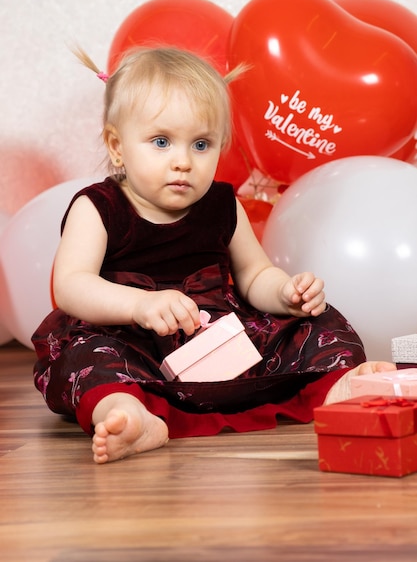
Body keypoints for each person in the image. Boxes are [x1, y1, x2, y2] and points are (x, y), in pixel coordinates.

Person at [32, 46, 395, 464]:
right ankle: (128, 412)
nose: (183, 162)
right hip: (128, 339)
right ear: (117, 147)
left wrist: (286, 293)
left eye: (201, 144)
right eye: (161, 142)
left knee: (320, 321)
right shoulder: (99, 207)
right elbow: (72, 286)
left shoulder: (223, 205)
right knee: (87, 357)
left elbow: (255, 275)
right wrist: (140, 305)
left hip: (218, 335)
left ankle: (336, 385)